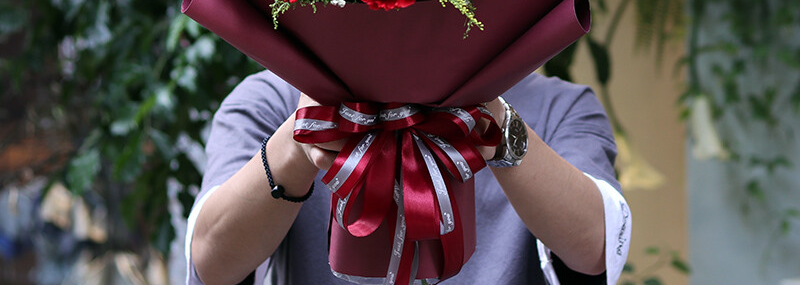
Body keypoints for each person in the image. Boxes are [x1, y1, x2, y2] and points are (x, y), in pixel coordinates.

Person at [185, 69, 631, 285]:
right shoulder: (270, 98)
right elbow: (211, 260)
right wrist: (299, 140)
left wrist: (494, 123)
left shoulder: (559, 105)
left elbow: (596, 248)